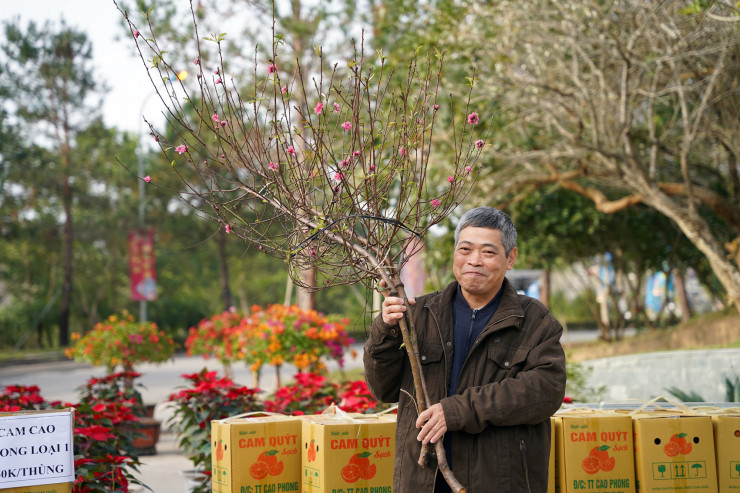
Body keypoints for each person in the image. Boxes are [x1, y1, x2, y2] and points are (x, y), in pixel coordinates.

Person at [363, 206, 566, 492]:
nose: (474, 261)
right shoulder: (419, 314)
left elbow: (546, 390)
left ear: (510, 258)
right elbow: (383, 389)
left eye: (488, 252)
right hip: (423, 481)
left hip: (497, 481)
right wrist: (385, 330)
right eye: (465, 249)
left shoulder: (534, 321)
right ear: (454, 253)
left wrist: (457, 411)